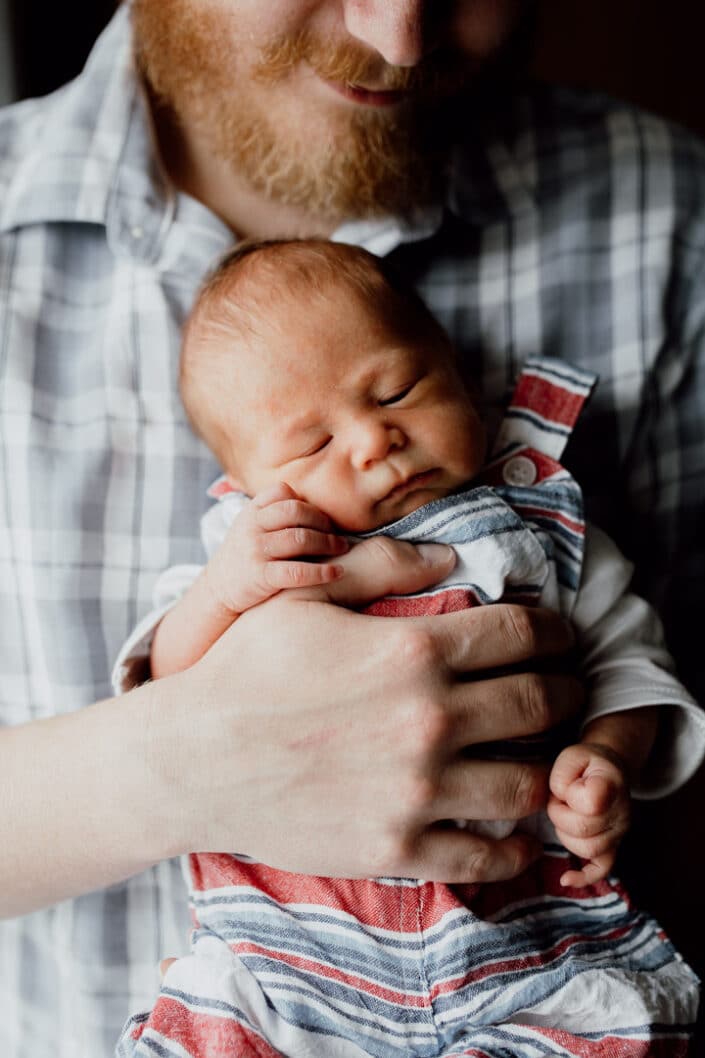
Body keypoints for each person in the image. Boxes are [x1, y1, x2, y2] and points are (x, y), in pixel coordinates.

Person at [0, 2, 704, 1056]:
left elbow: (637, 660)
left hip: (515, 967)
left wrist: (604, 758)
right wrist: (173, 765)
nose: (401, 34)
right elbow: (172, 649)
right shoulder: (249, 539)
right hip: (260, 987)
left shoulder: (674, 219)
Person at [112, 236, 702, 1057]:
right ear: (245, 483)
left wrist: (607, 753)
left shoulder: (553, 532)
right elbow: (163, 685)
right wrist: (224, 589)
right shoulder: (240, 553)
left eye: (397, 389)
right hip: (289, 956)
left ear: (457, 371)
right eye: (310, 445)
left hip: (514, 939)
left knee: (612, 1028)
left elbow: (629, 667)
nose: (371, 440)